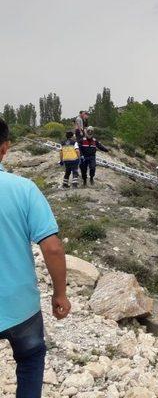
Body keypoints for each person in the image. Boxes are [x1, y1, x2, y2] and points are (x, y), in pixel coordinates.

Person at [0, 117, 71, 398]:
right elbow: (52, 248)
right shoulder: (24, 189)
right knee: (30, 361)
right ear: (5, 148)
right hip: (21, 308)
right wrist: (60, 294)